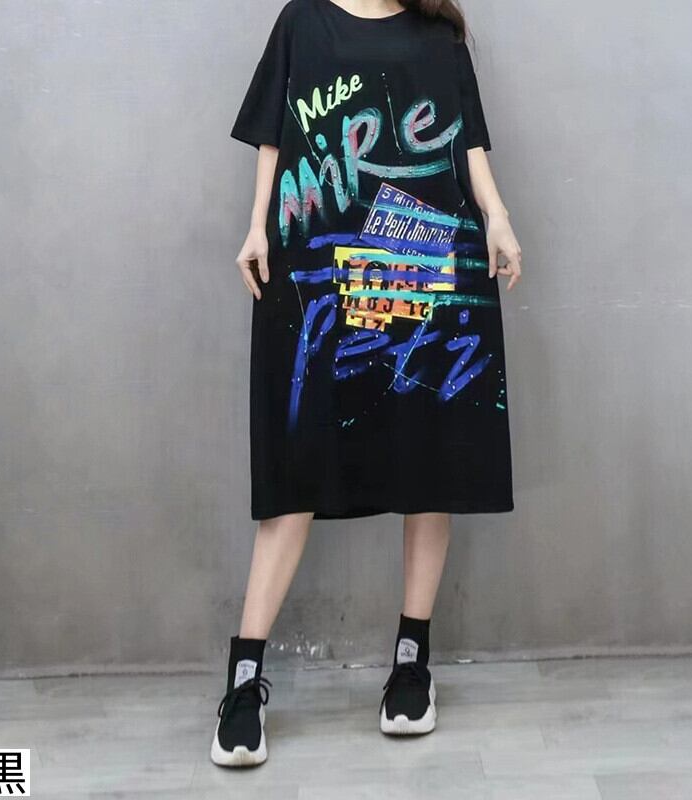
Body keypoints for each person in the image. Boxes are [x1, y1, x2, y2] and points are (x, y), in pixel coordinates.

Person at [211, 0, 522, 767]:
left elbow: (467, 138)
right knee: (296, 467)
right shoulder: (303, 21)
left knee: (427, 458)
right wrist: (255, 224)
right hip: (314, 254)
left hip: (418, 246)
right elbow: (274, 133)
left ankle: (411, 663)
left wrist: (497, 215)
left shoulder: (438, 33)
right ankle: (244, 681)